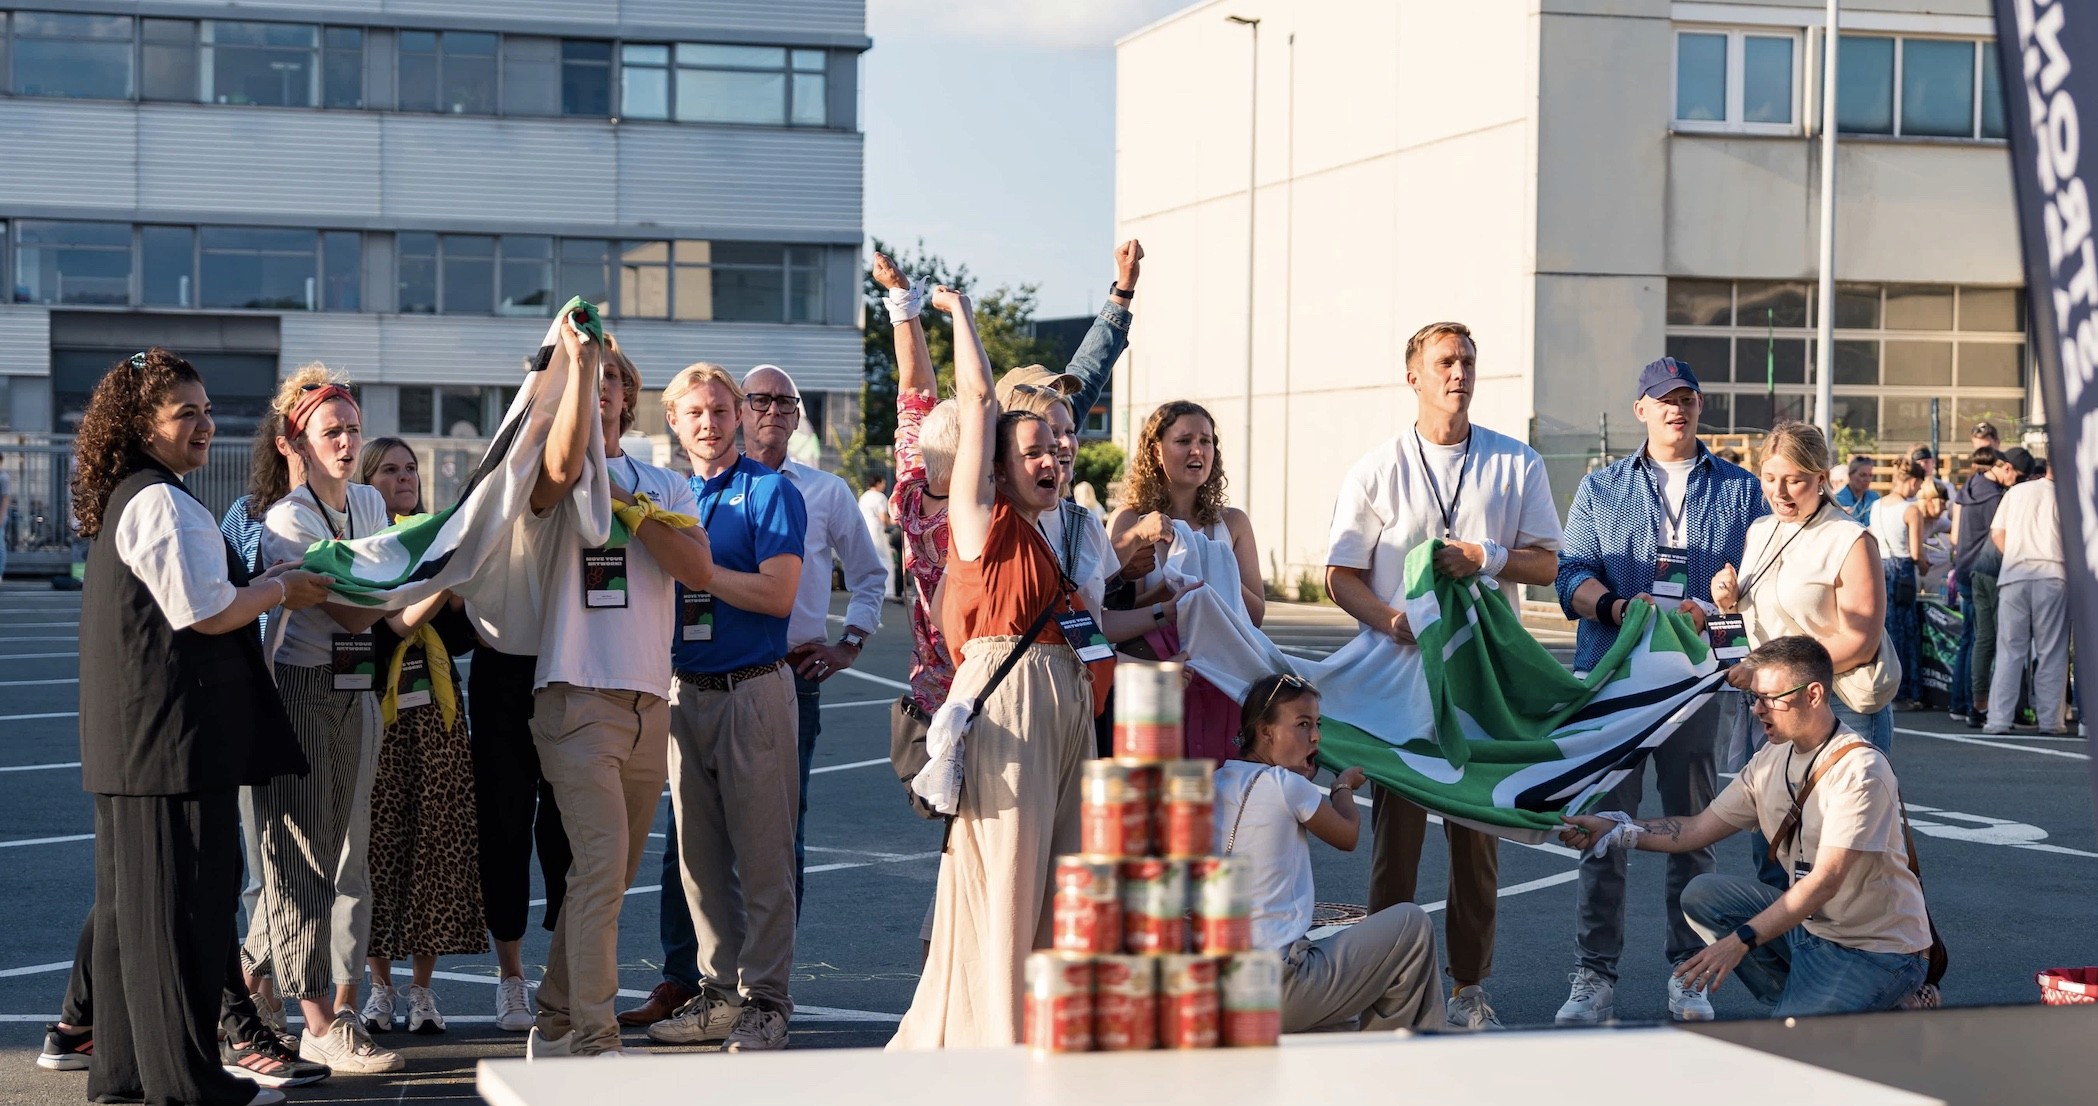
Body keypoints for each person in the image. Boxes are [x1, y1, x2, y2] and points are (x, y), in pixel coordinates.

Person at [890, 287, 1178, 1049]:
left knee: (1063, 877)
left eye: (1058, 449)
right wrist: (953, 311)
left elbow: (1088, 627)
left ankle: (1053, 1031)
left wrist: (1162, 610)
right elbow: (980, 397)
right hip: (1010, 706)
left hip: (1068, 702)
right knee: (1011, 877)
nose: (1052, 457)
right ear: (997, 466)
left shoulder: (1062, 532)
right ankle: (997, 1037)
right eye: (1034, 451)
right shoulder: (980, 520)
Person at [68, 348, 335, 1105]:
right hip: (172, 745)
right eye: (186, 412)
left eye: (208, 410)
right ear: (140, 426)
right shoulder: (158, 500)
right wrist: (282, 588)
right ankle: (187, 1087)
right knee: (183, 919)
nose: (206, 424)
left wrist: (266, 588)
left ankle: (125, 1078)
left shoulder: (137, 495)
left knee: (136, 923)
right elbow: (207, 611)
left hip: (142, 745)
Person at [1323, 321, 1562, 1031]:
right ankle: (1384, 987)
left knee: (1476, 843)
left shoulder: (1515, 463)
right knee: (1396, 844)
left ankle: (1468, 989)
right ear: (1414, 377)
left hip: (1480, 680)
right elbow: (1341, 575)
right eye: (1444, 362)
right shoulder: (1378, 467)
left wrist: (1486, 557)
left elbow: (1548, 562)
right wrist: (1393, 621)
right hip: (1402, 681)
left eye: (1467, 361)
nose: (1458, 372)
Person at [1550, 356, 1766, 1026]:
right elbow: (1570, 574)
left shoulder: (1740, 488)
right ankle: (1594, 979)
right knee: (1604, 831)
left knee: (1694, 833)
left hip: (1696, 680)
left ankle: (1688, 974)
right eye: (1664, 399)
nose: (1678, 408)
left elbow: (1759, 576)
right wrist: (1617, 607)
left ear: (1701, 407)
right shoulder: (1603, 487)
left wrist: (1713, 608)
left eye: (1688, 398)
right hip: (1612, 679)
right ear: (1641, 408)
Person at [1559, 636, 1934, 1016]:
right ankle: (1806, 999)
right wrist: (1615, 829)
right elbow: (1695, 830)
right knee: (1703, 894)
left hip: (1875, 950)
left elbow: (1825, 882)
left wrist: (1738, 942)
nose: (1756, 710)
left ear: (1815, 694)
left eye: (1769, 698)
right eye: (1754, 698)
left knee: (1793, 1048)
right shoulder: (1771, 758)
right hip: (1813, 932)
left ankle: (1890, 996)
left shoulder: (1860, 770)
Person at [523, 327, 712, 1060]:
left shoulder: (663, 481)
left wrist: (633, 504)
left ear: (630, 397)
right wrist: (573, 373)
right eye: (586, 376)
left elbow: (695, 567)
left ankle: (554, 1013)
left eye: (610, 379)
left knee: (604, 876)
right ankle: (594, 1039)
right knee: (600, 870)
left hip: (646, 704)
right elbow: (563, 471)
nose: (600, 388)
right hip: (574, 700)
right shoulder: (552, 467)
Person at [245, 364, 428, 1075]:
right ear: (295, 441)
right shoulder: (288, 521)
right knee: (301, 861)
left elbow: (381, 586)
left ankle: (241, 982)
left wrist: (407, 576)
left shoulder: (366, 504)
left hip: (355, 689)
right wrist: (425, 573)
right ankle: (320, 1021)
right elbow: (358, 608)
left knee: (337, 853)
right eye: (333, 431)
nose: (349, 443)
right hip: (298, 688)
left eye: (353, 428)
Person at [638, 363, 805, 1052]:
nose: (709, 423)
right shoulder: (668, 496)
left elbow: (778, 596)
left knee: (763, 860)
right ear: (672, 421)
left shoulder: (769, 492)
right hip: (686, 694)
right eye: (694, 413)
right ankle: (719, 995)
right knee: (699, 865)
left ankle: (768, 1003)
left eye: (720, 410)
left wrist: (704, 576)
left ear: (739, 415)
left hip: (752, 690)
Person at [1220, 674, 1446, 1032]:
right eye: (1303, 725)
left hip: (1216, 990)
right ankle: (1407, 1054)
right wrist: (1341, 787)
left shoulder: (1217, 781)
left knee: (1339, 1021)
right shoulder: (1286, 784)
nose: (1316, 737)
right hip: (1274, 988)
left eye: (1318, 725)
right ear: (1265, 732)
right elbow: (1347, 835)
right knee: (1411, 925)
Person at [351, 438, 487, 1036]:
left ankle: (423, 992)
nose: (404, 478)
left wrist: (456, 580)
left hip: (436, 719)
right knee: (379, 854)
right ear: (366, 481)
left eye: (410, 469)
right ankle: (380, 988)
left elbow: (460, 639)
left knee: (438, 850)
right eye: (389, 470)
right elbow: (385, 631)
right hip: (380, 718)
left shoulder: (434, 537)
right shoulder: (363, 550)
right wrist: (441, 579)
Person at [744, 364, 885, 907]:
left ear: (798, 415)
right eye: (761, 400)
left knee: (784, 824)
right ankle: (688, 973)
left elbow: (869, 575)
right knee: (700, 825)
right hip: (711, 674)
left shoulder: (826, 492)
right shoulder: (704, 487)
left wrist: (851, 642)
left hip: (794, 671)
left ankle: (772, 978)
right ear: (740, 410)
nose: (774, 410)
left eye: (786, 402)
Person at [1712, 422, 1898, 753]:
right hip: (1769, 706)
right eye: (1769, 478)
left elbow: (1861, 642)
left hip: (1836, 705)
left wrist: (1768, 670)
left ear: (1821, 479)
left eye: (1793, 481)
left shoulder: (1850, 539)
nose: (1778, 492)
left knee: (1836, 805)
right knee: (1764, 805)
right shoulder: (1760, 530)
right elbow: (1752, 629)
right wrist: (1727, 604)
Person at [1109, 400, 1266, 762]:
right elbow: (1105, 613)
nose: (1198, 450)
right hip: (1152, 682)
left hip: (1221, 681)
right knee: (1149, 803)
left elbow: (1255, 614)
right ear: (1156, 451)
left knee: (1215, 800)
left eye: (1207, 441)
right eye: (1184, 441)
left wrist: (1212, 566)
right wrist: (1167, 593)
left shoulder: (1232, 523)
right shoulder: (1130, 520)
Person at [1987, 452, 2067, 735]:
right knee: (2051, 652)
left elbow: (1997, 532)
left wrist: (2016, 556)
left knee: (2009, 651)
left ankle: (1998, 719)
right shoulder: (2069, 497)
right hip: (2054, 575)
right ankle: (2050, 721)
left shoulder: (2017, 492)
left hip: (2015, 574)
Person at [1948, 445, 2011, 727]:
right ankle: (1979, 703)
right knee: (1985, 639)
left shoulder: (1966, 490)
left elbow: (1953, 534)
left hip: (1964, 568)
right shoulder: (1997, 498)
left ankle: (1959, 703)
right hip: (1985, 569)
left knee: (1969, 640)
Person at [1869, 460, 1928, 710]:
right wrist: (1925, 565)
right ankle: (1907, 691)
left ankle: (1886, 687)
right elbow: (1916, 552)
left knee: (1886, 630)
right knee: (1907, 631)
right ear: (1913, 480)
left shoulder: (1876, 505)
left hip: (1880, 567)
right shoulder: (1911, 510)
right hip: (1902, 570)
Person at [859, 470, 897, 603]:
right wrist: (894, 521)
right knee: (886, 559)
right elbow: (883, 519)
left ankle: (868, 590)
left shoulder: (864, 496)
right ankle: (888, 591)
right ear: (879, 483)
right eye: (883, 483)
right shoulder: (880, 497)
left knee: (869, 560)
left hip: (865, 529)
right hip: (876, 529)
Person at [1833, 455, 1879, 525]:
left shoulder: (1874, 498)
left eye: (1870, 475)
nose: (1867, 479)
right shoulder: (1838, 499)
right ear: (1850, 475)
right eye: (1862, 475)